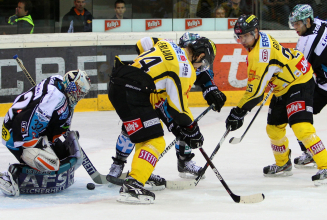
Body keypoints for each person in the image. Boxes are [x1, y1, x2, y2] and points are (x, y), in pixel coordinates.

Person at [107, 33, 226, 186]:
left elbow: (141, 43)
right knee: (155, 141)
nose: (200, 68)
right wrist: (193, 131)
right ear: (200, 55)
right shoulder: (185, 68)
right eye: (203, 63)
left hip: (119, 82)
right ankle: (134, 183)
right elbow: (178, 110)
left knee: (145, 136)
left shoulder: (166, 43)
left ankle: (142, 172)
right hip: (135, 93)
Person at [227, 14, 327, 186]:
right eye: (240, 36)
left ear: (256, 32)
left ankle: (325, 164)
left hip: (299, 81)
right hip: (283, 85)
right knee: (273, 129)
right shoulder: (259, 40)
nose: (243, 40)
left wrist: (238, 112)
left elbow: (255, 94)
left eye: (246, 35)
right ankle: (283, 164)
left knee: (301, 127)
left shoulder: (259, 56)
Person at [0, 70, 91, 196]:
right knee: (51, 164)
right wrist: (36, 149)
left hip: (26, 128)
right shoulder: (54, 97)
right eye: (78, 91)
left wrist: (51, 140)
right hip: (15, 134)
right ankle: (11, 175)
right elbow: (26, 123)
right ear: (70, 86)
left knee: (63, 156)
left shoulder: (59, 83)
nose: (79, 95)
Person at [288, 4, 327, 169]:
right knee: (300, 114)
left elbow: (298, 69)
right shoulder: (319, 23)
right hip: (323, 83)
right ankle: (310, 151)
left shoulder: (310, 42)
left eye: (297, 23)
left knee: (297, 114)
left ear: (307, 21)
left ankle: (311, 152)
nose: (295, 27)